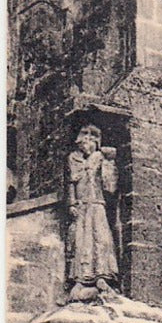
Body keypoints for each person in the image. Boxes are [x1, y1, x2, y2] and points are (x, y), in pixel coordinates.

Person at [66, 124, 119, 298]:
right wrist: (72, 203)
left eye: (91, 139)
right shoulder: (74, 158)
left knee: (100, 239)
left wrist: (109, 162)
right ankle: (81, 279)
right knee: (81, 241)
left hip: (97, 204)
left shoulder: (100, 158)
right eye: (84, 140)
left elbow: (110, 187)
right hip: (82, 206)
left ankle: (102, 276)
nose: (86, 144)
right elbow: (71, 183)